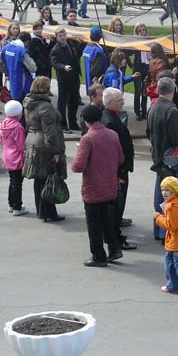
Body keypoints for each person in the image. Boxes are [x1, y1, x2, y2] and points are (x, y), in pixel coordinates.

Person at [72, 105, 125, 267]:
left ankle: (98, 256)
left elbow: (78, 166)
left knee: (94, 223)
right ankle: (114, 248)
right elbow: (120, 158)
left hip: (93, 187)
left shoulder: (87, 139)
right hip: (109, 185)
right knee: (106, 219)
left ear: (86, 121)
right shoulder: (112, 135)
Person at [146, 77, 178, 242]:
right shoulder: (172, 112)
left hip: (158, 158)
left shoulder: (153, 108)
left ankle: (158, 229)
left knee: (160, 194)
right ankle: (165, 230)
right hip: (172, 160)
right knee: (170, 196)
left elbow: (148, 133)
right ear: (173, 90)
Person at [22, 77, 66, 223]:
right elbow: (50, 133)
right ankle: (49, 212)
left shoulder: (28, 102)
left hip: (32, 141)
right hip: (43, 145)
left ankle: (42, 211)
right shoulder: (45, 107)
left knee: (39, 180)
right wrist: (55, 152)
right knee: (49, 179)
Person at [102, 87, 137, 249]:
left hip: (118, 169)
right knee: (116, 205)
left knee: (115, 205)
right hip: (117, 171)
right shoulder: (110, 122)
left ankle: (112, 234)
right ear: (110, 103)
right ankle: (114, 237)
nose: (123, 102)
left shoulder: (111, 117)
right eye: (120, 100)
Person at [49, 28, 81, 133]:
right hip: (63, 78)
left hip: (74, 76)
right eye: (60, 36)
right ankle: (62, 124)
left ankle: (73, 122)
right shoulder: (55, 49)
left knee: (74, 100)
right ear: (57, 37)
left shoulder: (70, 44)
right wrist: (63, 67)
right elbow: (54, 63)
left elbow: (77, 55)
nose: (63, 37)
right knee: (62, 101)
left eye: (64, 35)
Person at [0, 100, 28, 217]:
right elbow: (21, 145)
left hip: (7, 156)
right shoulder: (18, 127)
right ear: (19, 114)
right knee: (17, 183)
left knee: (12, 181)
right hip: (16, 158)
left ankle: (11, 204)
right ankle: (17, 207)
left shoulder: (3, 124)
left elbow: (2, 141)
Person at [0, 32, 36, 104]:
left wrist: (8, 71)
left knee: (14, 100)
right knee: (21, 103)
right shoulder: (22, 51)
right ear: (27, 42)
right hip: (23, 81)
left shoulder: (7, 48)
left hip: (12, 80)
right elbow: (33, 68)